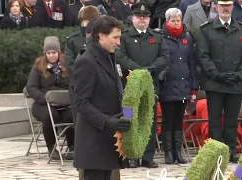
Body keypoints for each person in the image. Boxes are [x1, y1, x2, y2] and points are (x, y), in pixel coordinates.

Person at [196, 0, 242, 163]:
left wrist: (240, 74)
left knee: (231, 121)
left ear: (232, 7)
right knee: (214, 120)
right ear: (216, 7)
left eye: (228, 5)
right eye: (222, 5)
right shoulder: (206, 30)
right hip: (214, 83)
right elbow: (203, 54)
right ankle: (216, 152)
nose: (225, 9)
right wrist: (216, 74)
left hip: (235, 83)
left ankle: (230, 151)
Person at [73, 15, 131, 180]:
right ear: (101, 36)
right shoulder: (87, 61)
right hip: (94, 143)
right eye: (115, 37)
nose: (118, 42)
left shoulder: (112, 57)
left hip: (109, 141)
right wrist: (107, 121)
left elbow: (120, 92)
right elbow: (81, 102)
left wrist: (128, 117)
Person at [117, 2, 170, 168]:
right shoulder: (124, 37)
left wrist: (149, 70)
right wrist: (138, 70)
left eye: (145, 17)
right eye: (139, 16)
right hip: (128, 88)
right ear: (133, 18)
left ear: (149, 19)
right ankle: (131, 155)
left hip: (150, 87)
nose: (142, 19)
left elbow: (165, 57)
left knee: (149, 121)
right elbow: (121, 57)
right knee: (129, 118)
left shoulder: (157, 37)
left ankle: (148, 157)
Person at [159, 8, 199, 164]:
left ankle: (178, 151)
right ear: (167, 21)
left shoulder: (187, 38)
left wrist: (194, 85)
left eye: (178, 20)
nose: (176, 23)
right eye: (173, 20)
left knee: (179, 119)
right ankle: (168, 152)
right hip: (168, 84)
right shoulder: (161, 38)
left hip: (183, 84)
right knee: (168, 120)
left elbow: (192, 63)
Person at [26, 36, 75, 160]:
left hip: (64, 104)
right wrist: (45, 99)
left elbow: (73, 84)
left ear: (59, 53)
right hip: (43, 104)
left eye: (54, 53)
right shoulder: (38, 67)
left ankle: (72, 146)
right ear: (45, 53)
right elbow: (31, 88)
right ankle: (51, 147)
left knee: (73, 114)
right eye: (49, 53)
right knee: (50, 115)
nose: (51, 55)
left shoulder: (67, 65)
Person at [64, 5, 100, 124]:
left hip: (98, 86)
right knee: (80, 122)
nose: (89, 23)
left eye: (92, 20)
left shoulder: (101, 38)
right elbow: (70, 64)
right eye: (87, 20)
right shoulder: (73, 40)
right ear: (81, 21)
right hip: (78, 86)